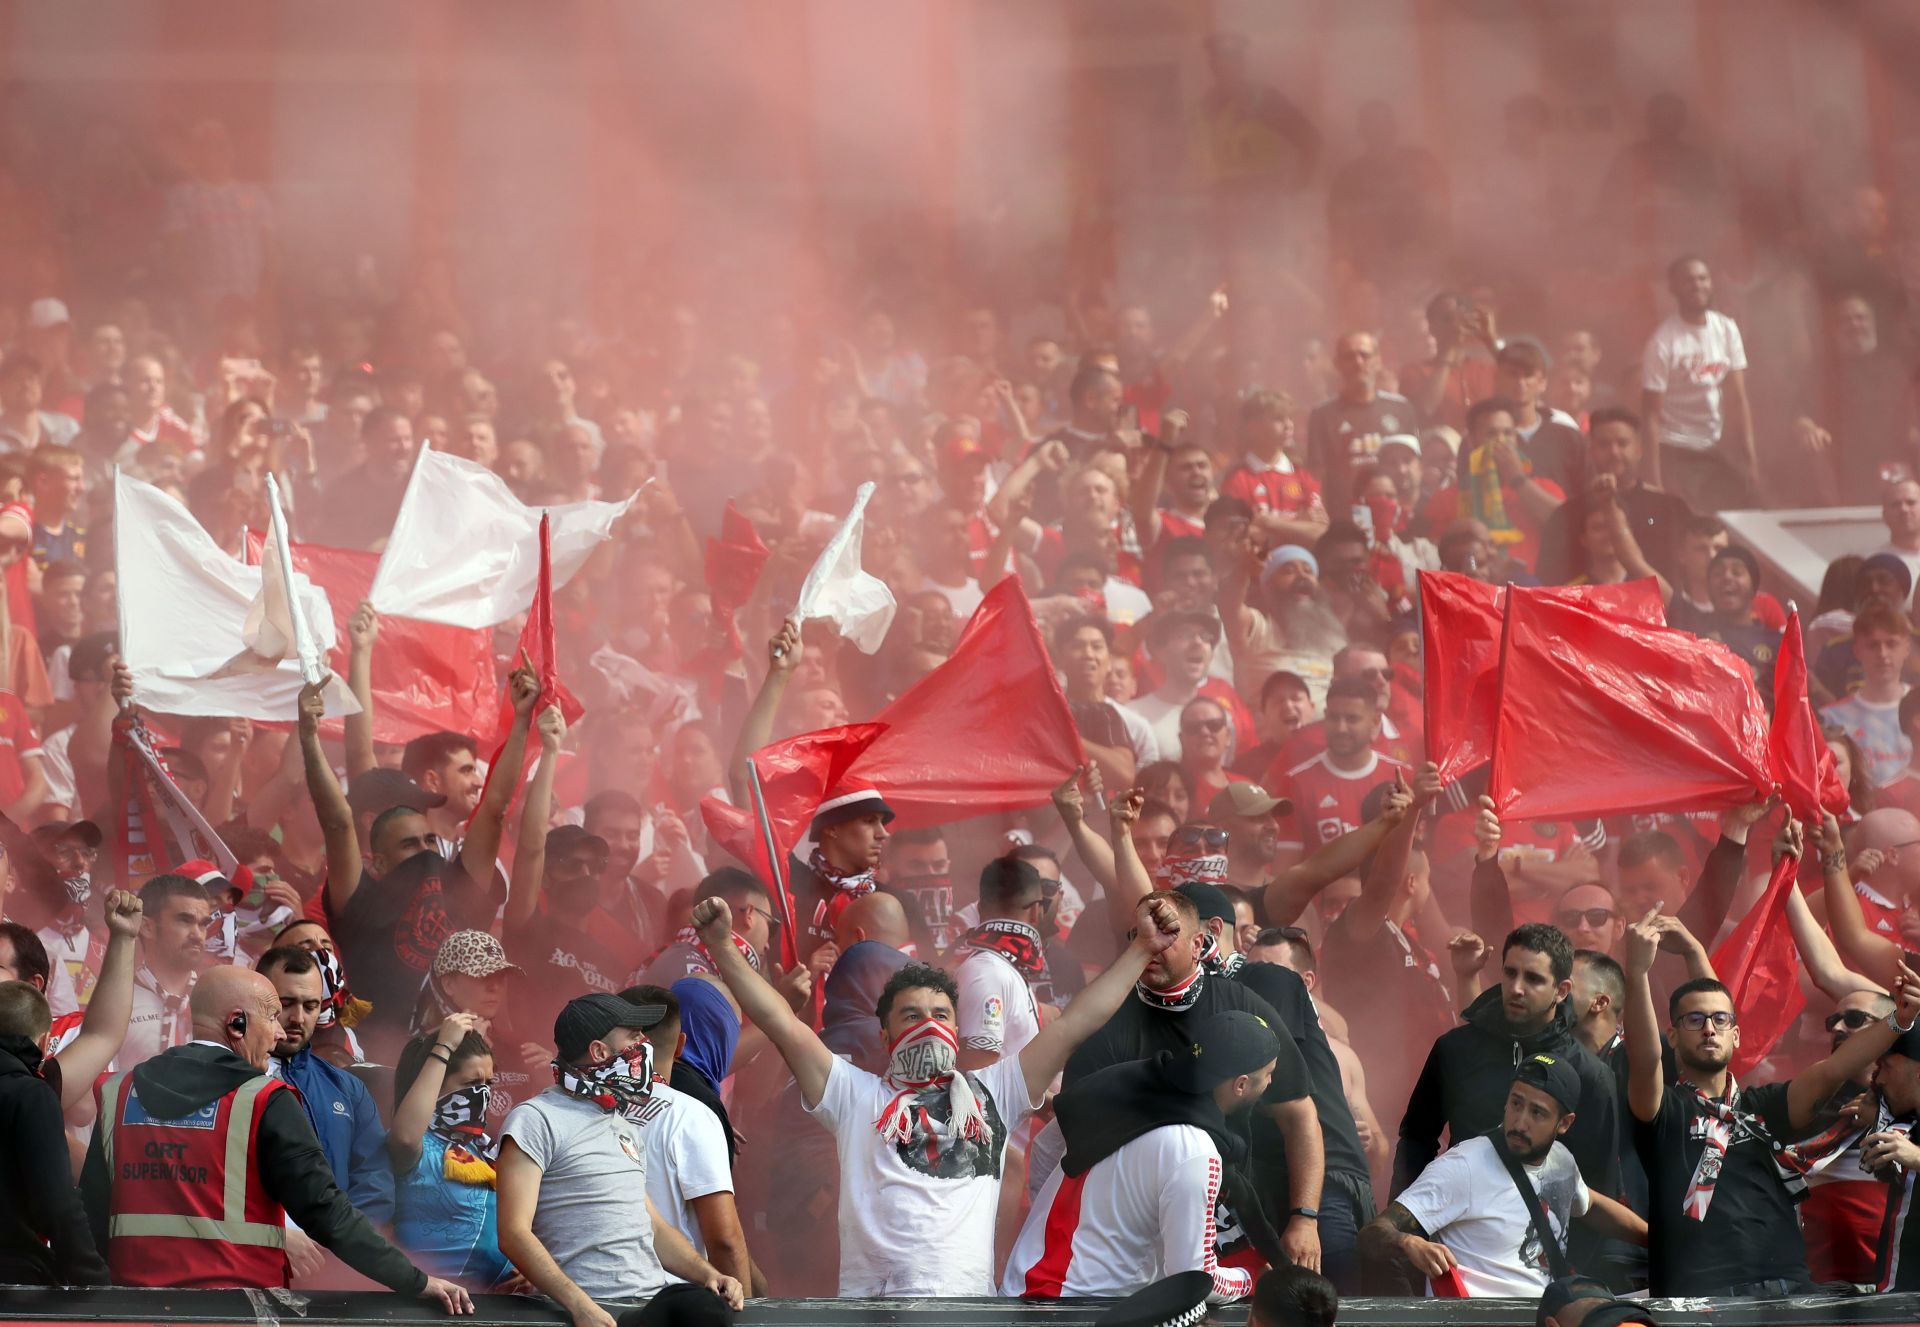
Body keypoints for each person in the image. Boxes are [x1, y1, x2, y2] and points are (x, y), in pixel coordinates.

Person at [691, 888, 1184, 1296]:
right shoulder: (853, 1095)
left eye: (941, 1015)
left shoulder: (998, 1091)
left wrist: (1142, 949)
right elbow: (782, 1023)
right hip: (870, 1313)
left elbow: (1077, 1022)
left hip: (964, 1312)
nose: (929, 1026)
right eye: (911, 1016)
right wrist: (723, 948)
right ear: (883, 1037)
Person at [79, 965, 471, 1309]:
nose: (280, 1032)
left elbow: (93, 1212)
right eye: (271, 1016)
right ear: (237, 1024)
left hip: (133, 1309)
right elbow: (326, 1212)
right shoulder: (265, 1099)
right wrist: (415, 1281)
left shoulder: (119, 1092)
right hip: (240, 1310)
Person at [1621, 908, 1920, 1296]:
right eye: (1694, 1021)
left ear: (1737, 1036)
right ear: (1672, 1037)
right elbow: (1645, 1062)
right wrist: (1638, 972)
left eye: (1719, 1022)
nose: (1709, 1028)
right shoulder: (1665, 1109)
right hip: (1701, 1300)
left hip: (1788, 1294)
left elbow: (1834, 1069)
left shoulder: (1764, 1106)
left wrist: (1900, 1020)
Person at [497, 992, 745, 1327]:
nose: (643, 1043)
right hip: (591, 1312)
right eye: (633, 1035)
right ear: (599, 1051)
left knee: (702, 1308)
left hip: (647, 1304)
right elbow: (513, 1233)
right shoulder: (534, 1119)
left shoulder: (622, 1124)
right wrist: (579, 1306)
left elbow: (652, 1226)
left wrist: (709, 1275)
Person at [1003, 1011, 1286, 1301]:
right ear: (1240, 1085)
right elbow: (1192, 1279)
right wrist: (1251, 1277)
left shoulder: (1120, 1082)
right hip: (1085, 1307)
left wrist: (1047, 1226)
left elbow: (1045, 1147)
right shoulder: (1196, 1152)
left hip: (1020, 1286)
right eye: (1267, 1074)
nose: (1271, 1082)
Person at [1364, 1055, 1645, 1297]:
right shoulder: (1464, 1165)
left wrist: (1657, 1241)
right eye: (1516, 1103)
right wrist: (1407, 1242)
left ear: (1564, 1123)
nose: (1520, 1122)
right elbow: (1372, 1234)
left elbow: (1590, 1204)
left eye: (1537, 1112)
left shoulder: (1561, 1162)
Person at [1396, 923, 1621, 1200]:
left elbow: (1598, 1182)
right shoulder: (1455, 1048)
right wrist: (1403, 1228)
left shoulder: (1589, 1074)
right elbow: (1417, 1140)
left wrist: (1564, 1243)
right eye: (1510, 973)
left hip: (1543, 1236)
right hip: (1456, 1228)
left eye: (1533, 979)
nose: (1516, 988)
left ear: (1561, 991)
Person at [617, 984, 756, 1293]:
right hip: (674, 1302)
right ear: (680, 1046)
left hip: (592, 1300)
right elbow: (724, 1240)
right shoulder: (691, 1116)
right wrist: (747, 1315)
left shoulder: (582, 1109)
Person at [258, 945, 393, 1233]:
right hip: (251, 1255)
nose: (298, 1018)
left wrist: (342, 1244)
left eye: (310, 1006)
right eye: (286, 1003)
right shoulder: (226, 1079)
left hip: (329, 1260)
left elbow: (374, 1180)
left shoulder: (347, 1088)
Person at [388, 1014, 515, 1290]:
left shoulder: (484, 1151)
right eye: (471, 1084)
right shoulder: (415, 1146)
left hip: (496, 1305)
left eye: (488, 1084)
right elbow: (406, 1138)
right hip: (433, 1307)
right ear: (435, 1083)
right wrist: (443, 1046)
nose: (482, 1094)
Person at [0, 979, 109, 1285]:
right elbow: (57, 1202)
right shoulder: (30, 1095)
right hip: (14, 1281)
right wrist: (95, 1279)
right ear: (46, 1040)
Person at [1642, 255, 1757, 509]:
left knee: (1747, 505)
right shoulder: (1663, 342)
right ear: (1673, 288)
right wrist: (1653, 479)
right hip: (1675, 448)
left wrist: (1750, 460)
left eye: (1702, 278)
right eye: (1688, 280)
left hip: (1713, 447)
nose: (1697, 285)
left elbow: (1738, 399)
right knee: (1691, 516)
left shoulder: (1726, 329)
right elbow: (1650, 415)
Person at [1536, 409, 1691, 587]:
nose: (1614, 452)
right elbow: (1549, 582)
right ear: (1591, 449)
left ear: (1639, 449)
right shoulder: (1568, 515)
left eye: (1622, 443)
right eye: (1604, 445)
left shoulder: (1671, 510)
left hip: (1662, 610)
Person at [952, 855, 1053, 1068]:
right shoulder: (989, 972)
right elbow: (978, 1076)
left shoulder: (1001, 968)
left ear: (979, 909)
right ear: (1036, 910)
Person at [1306, 330, 1416, 510]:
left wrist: (1407, 508)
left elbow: (1414, 467)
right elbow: (1317, 474)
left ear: (1378, 361)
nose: (1358, 362)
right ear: (1338, 364)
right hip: (1346, 520)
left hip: (1394, 515)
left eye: (1364, 355)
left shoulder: (1401, 408)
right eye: (1349, 357)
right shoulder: (1322, 415)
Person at [116, 871, 212, 1070]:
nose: (198, 935)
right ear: (147, 927)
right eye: (185, 920)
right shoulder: (118, 1003)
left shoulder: (218, 1000)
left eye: (203, 924)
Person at [1821, 598, 1913, 786]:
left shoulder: (1916, 705)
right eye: (1873, 645)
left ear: (1907, 648)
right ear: (1857, 650)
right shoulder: (1832, 717)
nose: (1883, 653)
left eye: (1891, 644)